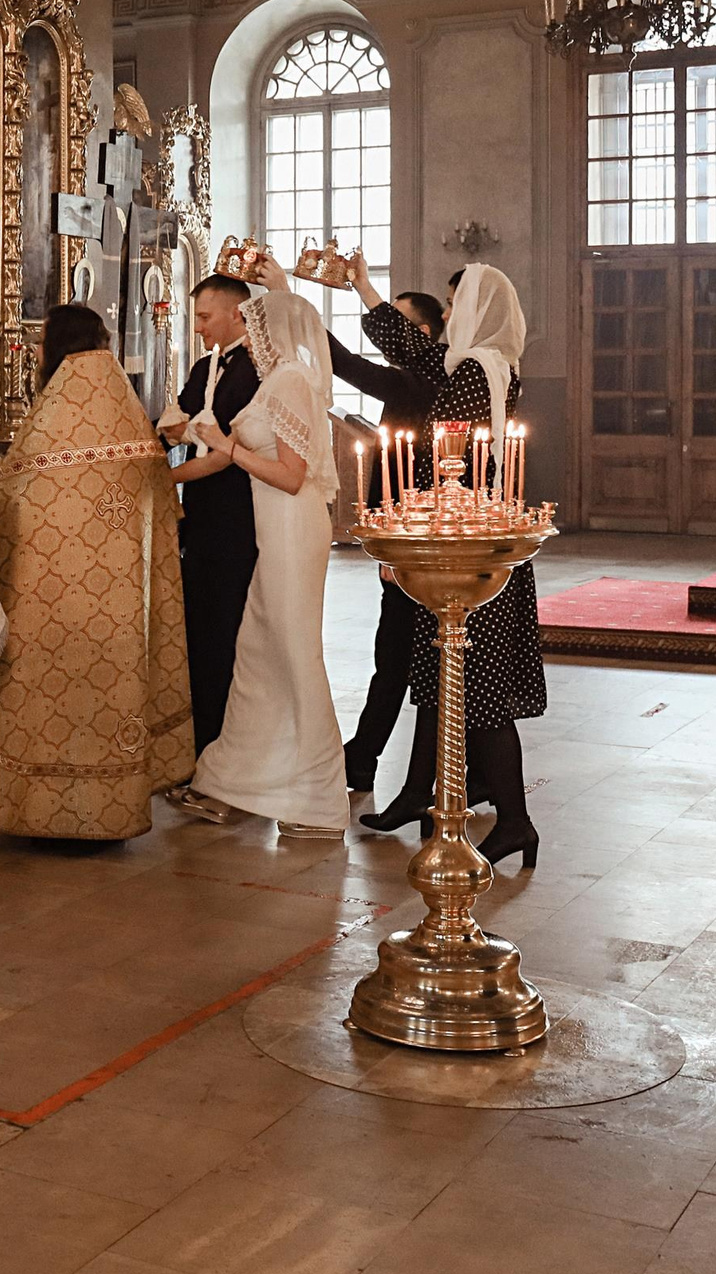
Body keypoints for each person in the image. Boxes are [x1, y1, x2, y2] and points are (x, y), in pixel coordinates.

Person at [0, 306, 193, 839]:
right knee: (110, 699)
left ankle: (41, 812)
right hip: (122, 606)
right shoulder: (124, 408)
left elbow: (12, 495)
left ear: (54, 347)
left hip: (52, 601)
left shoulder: (59, 410)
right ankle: (114, 809)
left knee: (49, 700)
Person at [357, 262, 548, 870]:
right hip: (472, 535)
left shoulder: (472, 372)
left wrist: (404, 536)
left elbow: (444, 457)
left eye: (454, 299)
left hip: (464, 546)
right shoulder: (483, 365)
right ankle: (426, 794)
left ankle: (514, 821)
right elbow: (416, 354)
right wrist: (364, 288)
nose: (447, 311)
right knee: (446, 679)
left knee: (481, 693)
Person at [254, 256, 448, 801]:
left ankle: (368, 761)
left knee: (398, 654)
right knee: (397, 653)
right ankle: (366, 759)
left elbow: (342, 364)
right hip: (402, 532)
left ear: (422, 335)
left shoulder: (419, 384)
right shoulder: (419, 381)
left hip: (418, 538)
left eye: (398, 324)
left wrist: (291, 296)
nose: (387, 337)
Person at [171, 288, 350, 838]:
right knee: (259, 654)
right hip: (272, 529)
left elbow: (292, 476)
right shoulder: (277, 382)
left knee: (294, 656)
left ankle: (319, 803)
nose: (251, 335)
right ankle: (235, 783)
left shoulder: (292, 381)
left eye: (256, 324)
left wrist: (227, 448)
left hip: (293, 529)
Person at [169, 274, 263, 752]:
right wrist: (164, 431)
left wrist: (162, 480)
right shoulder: (206, 366)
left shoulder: (255, 370)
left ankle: (220, 744)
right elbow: (184, 416)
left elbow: (227, 450)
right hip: (201, 522)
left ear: (237, 314)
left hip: (235, 522)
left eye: (205, 317)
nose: (199, 327)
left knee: (224, 633)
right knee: (199, 631)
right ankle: (199, 739)